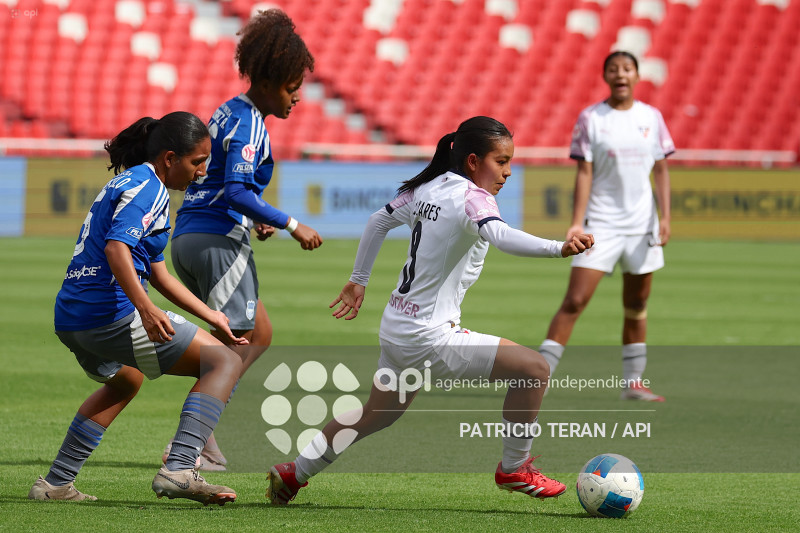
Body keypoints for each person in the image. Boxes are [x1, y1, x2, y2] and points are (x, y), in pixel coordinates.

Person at [264, 116, 595, 505]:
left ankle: (293, 473)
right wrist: (559, 247)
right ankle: (514, 467)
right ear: (473, 161)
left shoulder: (428, 187)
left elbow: (377, 220)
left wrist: (359, 279)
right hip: (429, 336)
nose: (507, 172)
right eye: (501, 161)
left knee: (377, 413)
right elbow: (502, 237)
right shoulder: (474, 197)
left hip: (398, 326)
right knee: (534, 369)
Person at [29, 112, 247, 505]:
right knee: (225, 362)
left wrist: (211, 315)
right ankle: (180, 468)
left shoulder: (130, 181)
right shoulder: (151, 188)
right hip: (107, 312)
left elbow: (159, 273)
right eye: (197, 161)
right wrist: (145, 310)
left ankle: (55, 484)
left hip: (71, 316)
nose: (202, 172)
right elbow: (116, 249)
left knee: (126, 379)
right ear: (169, 158)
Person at [168, 8, 323, 470]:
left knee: (260, 333)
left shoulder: (228, 111)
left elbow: (223, 184)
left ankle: (202, 431)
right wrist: (294, 225)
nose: (298, 98)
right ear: (273, 80)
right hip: (216, 240)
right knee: (235, 347)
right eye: (293, 88)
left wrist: (254, 218)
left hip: (191, 237)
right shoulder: (252, 122)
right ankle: (196, 444)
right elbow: (235, 189)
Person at [538, 51, 674, 402]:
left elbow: (660, 169)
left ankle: (633, 383)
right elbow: (584, 172)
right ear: (605, 76)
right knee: (575, 300)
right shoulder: (591, 118)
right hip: (602, 224)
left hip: (642, 225)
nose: (621, 74)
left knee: (637, 302)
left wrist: (665, 217)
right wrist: (576, 222)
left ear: (637, 75)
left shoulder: (652, 117)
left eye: (627, 68)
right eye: (613, 69)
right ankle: (538, 376)